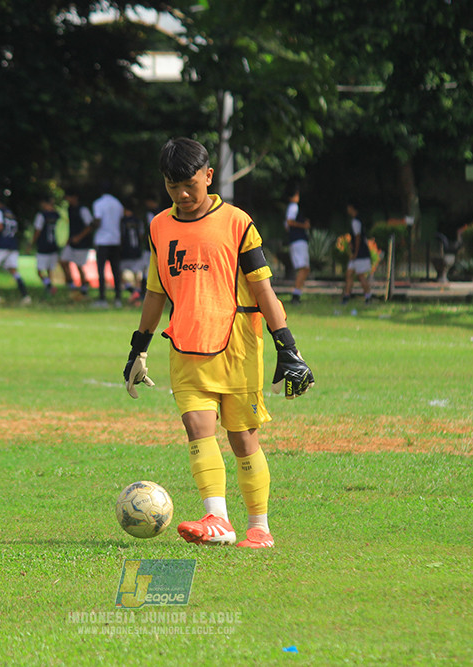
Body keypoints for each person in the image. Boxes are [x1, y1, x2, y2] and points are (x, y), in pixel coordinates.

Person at [123, 137, 314, 549]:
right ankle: (218, 520)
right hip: (186, 347)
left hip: (237, 347)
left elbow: (264, 292)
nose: (183, 194)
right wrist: (139, 347)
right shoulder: (159, 226)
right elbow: (155, 292)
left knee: (243, 440)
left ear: (209, 176)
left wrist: (288, 347)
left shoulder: (238, 223)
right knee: (197, 427)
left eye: (190, 184)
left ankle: (259, 528)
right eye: (173, 187)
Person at [0, 191, 30, 305]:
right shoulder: (9, 212)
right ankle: (25, 296)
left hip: (0, 244)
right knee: (13, 271)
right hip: (12, 244)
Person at [92, 184, 124, 307]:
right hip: (115, 240)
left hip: (102, 240)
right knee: (116, 270)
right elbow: (120, 221)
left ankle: (102, 298)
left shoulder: (98, 203)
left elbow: (98, 220)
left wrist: (91, 225)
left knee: (101, 270)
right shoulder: (118, 204)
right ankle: (118, 298)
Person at [60, 190, 95, 299]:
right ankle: (72, 285)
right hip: (71, 242)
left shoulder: (83, 210)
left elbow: (90, 226)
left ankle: (84, 288)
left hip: (82, 243)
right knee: (63, 260)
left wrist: (79, 237)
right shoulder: (70, 209)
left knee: (80, 266)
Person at [341, 202, 372, 304]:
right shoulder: (356, 221)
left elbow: (358, 238)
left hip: (360, 254)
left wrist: (355, 252)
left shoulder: (356, 222)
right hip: (356, 254)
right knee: (349, 274)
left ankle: (368, 296)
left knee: (360, 276)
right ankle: (346, 296)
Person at [284, 187, 311, 304]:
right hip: (298, 241)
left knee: (305, 268)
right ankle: (296, 295)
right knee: (303, 268)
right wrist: (303, 225)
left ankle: (297, 293)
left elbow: (286, 225)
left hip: (297, 241)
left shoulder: (291, 208)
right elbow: (289, 222)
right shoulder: (294, 207)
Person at [31, 196, 62, 296]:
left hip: (43, 245)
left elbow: (37, 230)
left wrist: (32, 243)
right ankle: (49, 287)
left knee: (39, 271)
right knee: (49, 269)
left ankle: (48, 286)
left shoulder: (41, 215)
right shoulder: (56, 215)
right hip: (53, 245)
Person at [120, 203, 148, 305]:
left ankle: (133, 291)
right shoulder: (138, 221)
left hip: (126, 250)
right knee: (137, 274)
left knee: (120, 273)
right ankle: (136, 292)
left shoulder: (122, 221)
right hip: (137, 250)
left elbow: (121, 235)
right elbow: (141, 235)